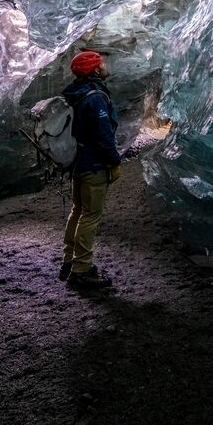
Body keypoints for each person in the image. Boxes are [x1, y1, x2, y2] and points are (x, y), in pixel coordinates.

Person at [58, 50, 125, 290]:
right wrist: (114, 162)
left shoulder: (75, 92)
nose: (105, 66)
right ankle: (81, 271)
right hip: (93, 164)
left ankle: (70, 262)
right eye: (101, 63)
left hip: (77, 162)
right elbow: (104, 135)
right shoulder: (95, 97)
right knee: (90, 215)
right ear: (95, 70)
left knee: (78, 211)